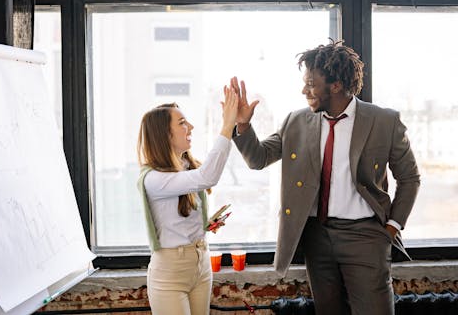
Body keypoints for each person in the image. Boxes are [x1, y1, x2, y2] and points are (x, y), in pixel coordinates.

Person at [230, 40, 420, 315]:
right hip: (317, 237)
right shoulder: (295, 121)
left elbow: (410, 177)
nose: (304, 90)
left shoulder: (384, 121)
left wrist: (391, 227)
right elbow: (258, 158)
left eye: (310, 83)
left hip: (366, 236)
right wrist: (243, 125)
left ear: (336, 85)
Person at [136, 86, 238, 315]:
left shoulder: (186, 167)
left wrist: (206, 224)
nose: (190, 127)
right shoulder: (153, 179)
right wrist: (227, 126)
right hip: (170, 271)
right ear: (164, 134)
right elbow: (207, 177)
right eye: (182, 123)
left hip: (201, 263)